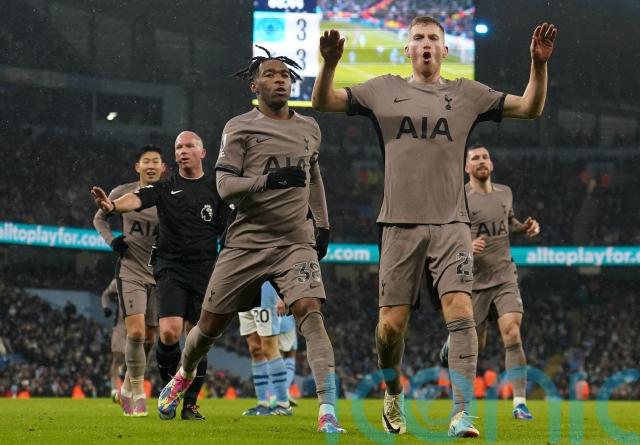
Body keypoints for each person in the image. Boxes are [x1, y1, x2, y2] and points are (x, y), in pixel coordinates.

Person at [311, 16, 557, 437]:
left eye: (432, 39)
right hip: (398, 224)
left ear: (445, 50)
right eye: (418, 38)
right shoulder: (382, 89)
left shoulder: (466, 94)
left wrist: (538, 65)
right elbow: (324, 102)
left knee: (460, 312)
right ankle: (393, 392)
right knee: (390, 328)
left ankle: (461, 413)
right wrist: (330, 64)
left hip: (452, 223)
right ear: (407, 49)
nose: (425, 44)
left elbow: (530, 108)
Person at [156, 47, 343, 433]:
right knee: (208, 327)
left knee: (311, 314)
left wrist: (323, 225)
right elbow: (224, 186)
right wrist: (268, 181)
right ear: (254, 86)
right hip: (246, 242)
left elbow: (314, 177)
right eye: (270, 74)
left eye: (284, 75)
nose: (279, 80)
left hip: (294, 242)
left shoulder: (310, 128)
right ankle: (183, 375)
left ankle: (327, 409)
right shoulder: (239, 127)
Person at [91, 132, 228, 420]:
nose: (183, 151)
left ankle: (190, 404)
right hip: (169, 267)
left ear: (203, 153)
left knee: (197, 338)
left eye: (189, 146)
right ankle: (169, 391)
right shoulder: (165, 187)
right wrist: (113, 206)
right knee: (168, 333)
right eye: (178, 147)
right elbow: (136, 199)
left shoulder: (217, 187)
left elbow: (226, 226)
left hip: (204, 268)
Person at [439, 144, 540, 420]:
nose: (481, 161)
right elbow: (445, 234)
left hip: (505, 275)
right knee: (476, 345)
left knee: (512, 332)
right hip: (473, 281)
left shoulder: (505, 193)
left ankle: (520, 403)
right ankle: (452, 347)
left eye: (485, 157)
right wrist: (467, 245)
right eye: (475, 158)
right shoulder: (460, 197)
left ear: (492, 164)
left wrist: (525, 228)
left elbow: (509, 222)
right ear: (466, 167)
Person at [93, 146, 165, 416]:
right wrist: (112, 241)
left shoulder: (169, 196)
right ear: (138, 167)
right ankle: (138, 393)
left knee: (149, 338)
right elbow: (99, 219)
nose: (151, 165)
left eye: (155, 161)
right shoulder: (122, 192)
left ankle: (125, 387)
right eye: (146, 161)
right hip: (130, 269)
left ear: (162, 167)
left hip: (159, 273)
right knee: (135, 333)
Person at [240, 282, 292, 416]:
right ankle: (262, 404)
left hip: (265, 292)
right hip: (244, 292)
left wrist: (282, 296)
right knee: (255, 349)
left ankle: (283, 403)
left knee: (269, 347)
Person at [100, 278, 126, 405]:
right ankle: (114, 390)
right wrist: (105, 307)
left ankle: (125, 375)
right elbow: (105, 294)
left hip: (138, 324)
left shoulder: (144, 276)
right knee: (117, 357)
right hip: (120, 325)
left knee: (133, 359)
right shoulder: (118, 280)